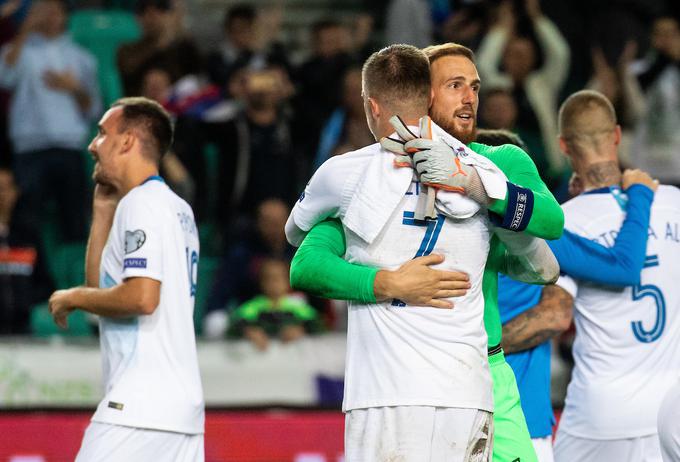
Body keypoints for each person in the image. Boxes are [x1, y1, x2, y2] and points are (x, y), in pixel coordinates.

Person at [286, 43, 561, 461]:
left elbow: (549, 237)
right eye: (455, 85)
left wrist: (473, 185)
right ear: (425, 96)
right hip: (438, 378)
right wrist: (390, 281)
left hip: (487, 371)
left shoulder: (497, 162)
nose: (470, 97)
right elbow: (307, 261)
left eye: (475, 87)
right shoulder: (364, 176)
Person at [475, 129, 658, 462]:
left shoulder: (447, 229)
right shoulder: (539, 236)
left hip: (483, 413)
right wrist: (640, 196)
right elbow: (622, 267)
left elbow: (554, 315)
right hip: (511, 418)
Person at [47, 97, 204, 461]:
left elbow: (141, 297)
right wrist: (102, 214)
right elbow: (104, 292)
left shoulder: (142, 205)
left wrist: (72, 297)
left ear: (127, 142)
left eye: (102, 133)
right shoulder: (176, 208)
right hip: (181, 411)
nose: (92, 144)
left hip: (139, 407)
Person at [551, 90, 680, 462]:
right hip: (670, 409)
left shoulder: (565, 223)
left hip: (601, 416)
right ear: (618, 135)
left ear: (563, 145)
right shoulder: (671, 201)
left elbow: (555, 312)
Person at [0, 0, 101, 242]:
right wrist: (24, 29)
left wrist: (73, 88)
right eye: (42, 10)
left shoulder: (81, 57)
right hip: (29, 147)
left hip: (69, 147)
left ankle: (77, 275)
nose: (49, 15)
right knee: (26, 221)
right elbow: (4, 77)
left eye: (55, 10)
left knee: (76, 222)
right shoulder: (19, 51)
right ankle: (28, 278)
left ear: (64, 16)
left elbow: (93, 109)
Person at [0, 167, 54, 335]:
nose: (1, 194)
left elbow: (46, 285)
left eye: (5, 188)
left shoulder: (29, 237)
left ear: (16, 192)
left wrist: (24, 299)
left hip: (24, 332)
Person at [228, 258, 322, 351]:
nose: (273, 283)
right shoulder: (251, 308)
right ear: (261, 282)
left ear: (288, 281)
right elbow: (230, 330)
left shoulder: (299, 308)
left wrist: (302, 330)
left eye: (278, 278)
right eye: (268, 278)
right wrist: (248, 331)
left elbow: (322, 329)